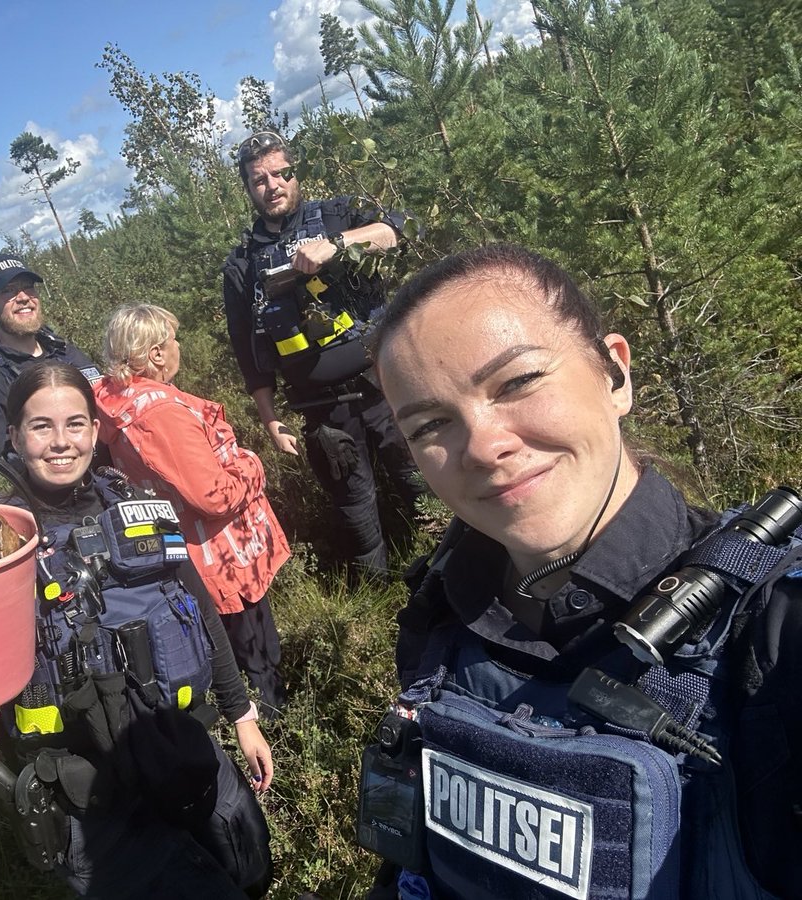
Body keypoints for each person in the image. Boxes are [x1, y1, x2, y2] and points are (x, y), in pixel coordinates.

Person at [359, 243, 801, 898]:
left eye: (516, 383)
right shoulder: (442, 609)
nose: (483, 445)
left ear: (614, 375)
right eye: (431, 423)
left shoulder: (772, 633)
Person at [0, 360, 275, 899]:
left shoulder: (137, 505)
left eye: (76, 423)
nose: (61, 442)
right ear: (13, 435)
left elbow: (198, 606)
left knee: (250, 873)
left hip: (180, 749)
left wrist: (241, 714)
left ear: (95, 430)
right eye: (41, 426)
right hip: (88, 796)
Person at [221, 130, 423, 578]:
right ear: (249, 189)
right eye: (259, 180)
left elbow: (403, 226)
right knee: (357, 516)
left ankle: (453, 575)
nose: (272, 185)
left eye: (281, 173)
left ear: (296, 175)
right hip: (323, 411)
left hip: (385, 387)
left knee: (421, 485)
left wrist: (341, 244)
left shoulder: (336, 215)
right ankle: (379, 606)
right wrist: (271, 419)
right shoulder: (242, 263)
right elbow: (245, 348)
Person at [94, 304, 291, 717]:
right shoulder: (161, 414)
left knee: (233, 651)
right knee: (255, 656)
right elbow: (213, 496)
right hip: (220, 561)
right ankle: (274, 731)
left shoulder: (120, 401)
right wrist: (252, 466)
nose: (179, 346)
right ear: (156, 355)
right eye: (172, 340)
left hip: (192, 553)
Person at [0, 251, 101, 491]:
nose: (22, 297)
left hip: (102, 490)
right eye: (7, 291)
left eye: (28, 287)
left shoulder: (66, 353)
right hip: (52, 509)